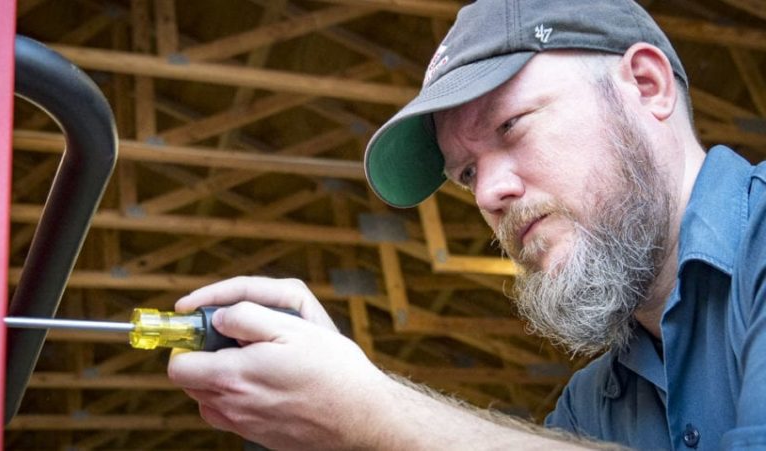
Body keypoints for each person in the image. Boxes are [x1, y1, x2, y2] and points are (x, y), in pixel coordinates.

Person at [167, 0, 766, 449]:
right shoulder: (596, 404)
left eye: (511, 126)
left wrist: (371, 411)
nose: (487, 194)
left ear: (647, 85)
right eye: (467, 173)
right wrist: (332, 407)